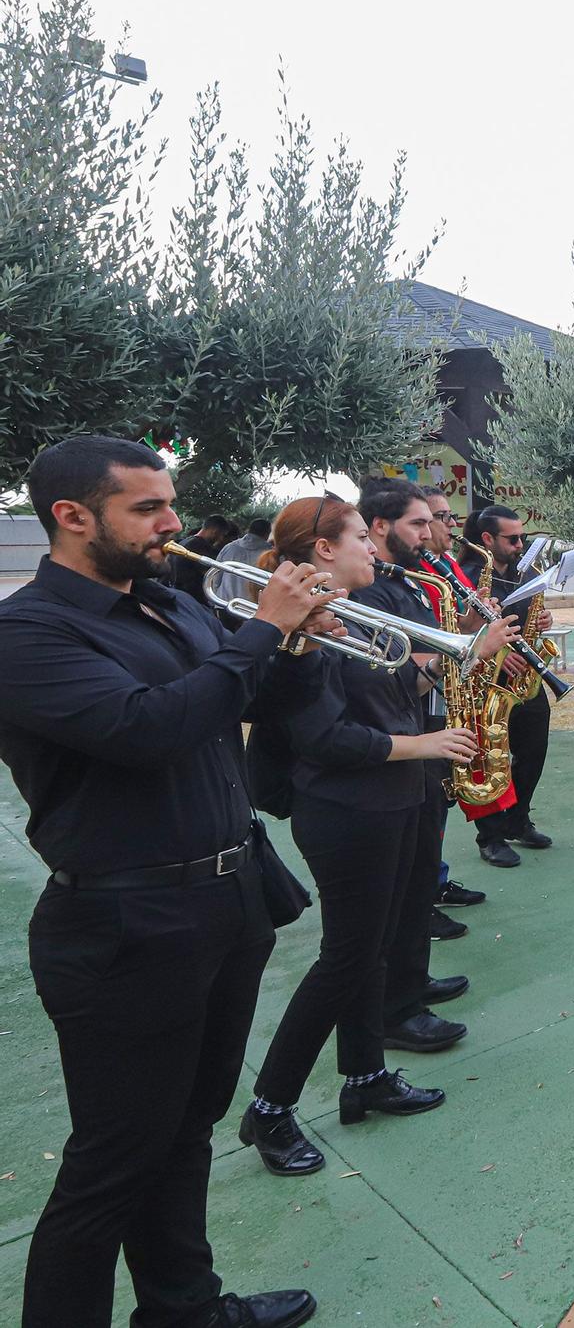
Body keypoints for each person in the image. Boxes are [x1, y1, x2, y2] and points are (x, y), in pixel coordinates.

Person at [0, 436, 321, 1328]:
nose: (174, 523)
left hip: (223, 902)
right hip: (124, 923)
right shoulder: (27, 631)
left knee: (186, 1130)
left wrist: (292, 647)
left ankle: (184, 1309)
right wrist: (263, 630)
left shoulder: (167, 607)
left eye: (169, 502)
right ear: (72, 517)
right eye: (147, 508)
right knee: (112, 1161)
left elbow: (249, 705)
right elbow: (146, 728)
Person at [237, 495, 505, 1177]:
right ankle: (270, 1105)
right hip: (345, 809)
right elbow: (325, 738)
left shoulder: (353, 618)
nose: (371, 546)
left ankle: (364, 1076)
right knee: (345, 959)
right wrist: (424, 744)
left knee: (371, 951)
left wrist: (453, 655)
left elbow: (387, 697)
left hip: (384, 802)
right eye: (360, 536)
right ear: (324, 549)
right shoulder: (304, 631)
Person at [355, 477, 495, 1051]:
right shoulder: (367, 591)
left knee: (417, 880)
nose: (432, 532)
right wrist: (462, 650)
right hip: (394, 749)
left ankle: (411, 984)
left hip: (421, 738)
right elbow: (391, 676)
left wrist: (465, 634)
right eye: (420, 522)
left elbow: (424, 652)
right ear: (381, 527)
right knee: (395, 893)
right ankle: (394, 1010)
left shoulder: (405, 580)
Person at [467, 502, 558, 867]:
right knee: (492, 758)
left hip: (524, 678)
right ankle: (489, 835)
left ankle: (518, 820)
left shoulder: (524, 572)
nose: (521, 545)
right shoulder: (470, 573)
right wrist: (501, 655)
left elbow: (526, 618)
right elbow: (462, 631)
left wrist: (543, 619)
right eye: (513, 538)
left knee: (533, 751)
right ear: (487, 539)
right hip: (487, 679)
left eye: (523, 537)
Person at [416, 488, 486, 914]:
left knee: (437, 803)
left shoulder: (443, 570)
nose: (447, 525)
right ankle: (421, 898)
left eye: (445, 516)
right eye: (433, 518)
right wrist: (476, 643)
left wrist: (475, 622)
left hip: (440, 701)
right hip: (418, 709)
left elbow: (453, 628)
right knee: (424, 808)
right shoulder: (414, 575)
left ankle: (434, 881)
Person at [167, 514, 236, 598]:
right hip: (191, 595)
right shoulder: (200, 546)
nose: (220, 539)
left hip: (180, 591)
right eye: (221, 534)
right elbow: (210, 573)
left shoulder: (186, 541)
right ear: (214, 530)